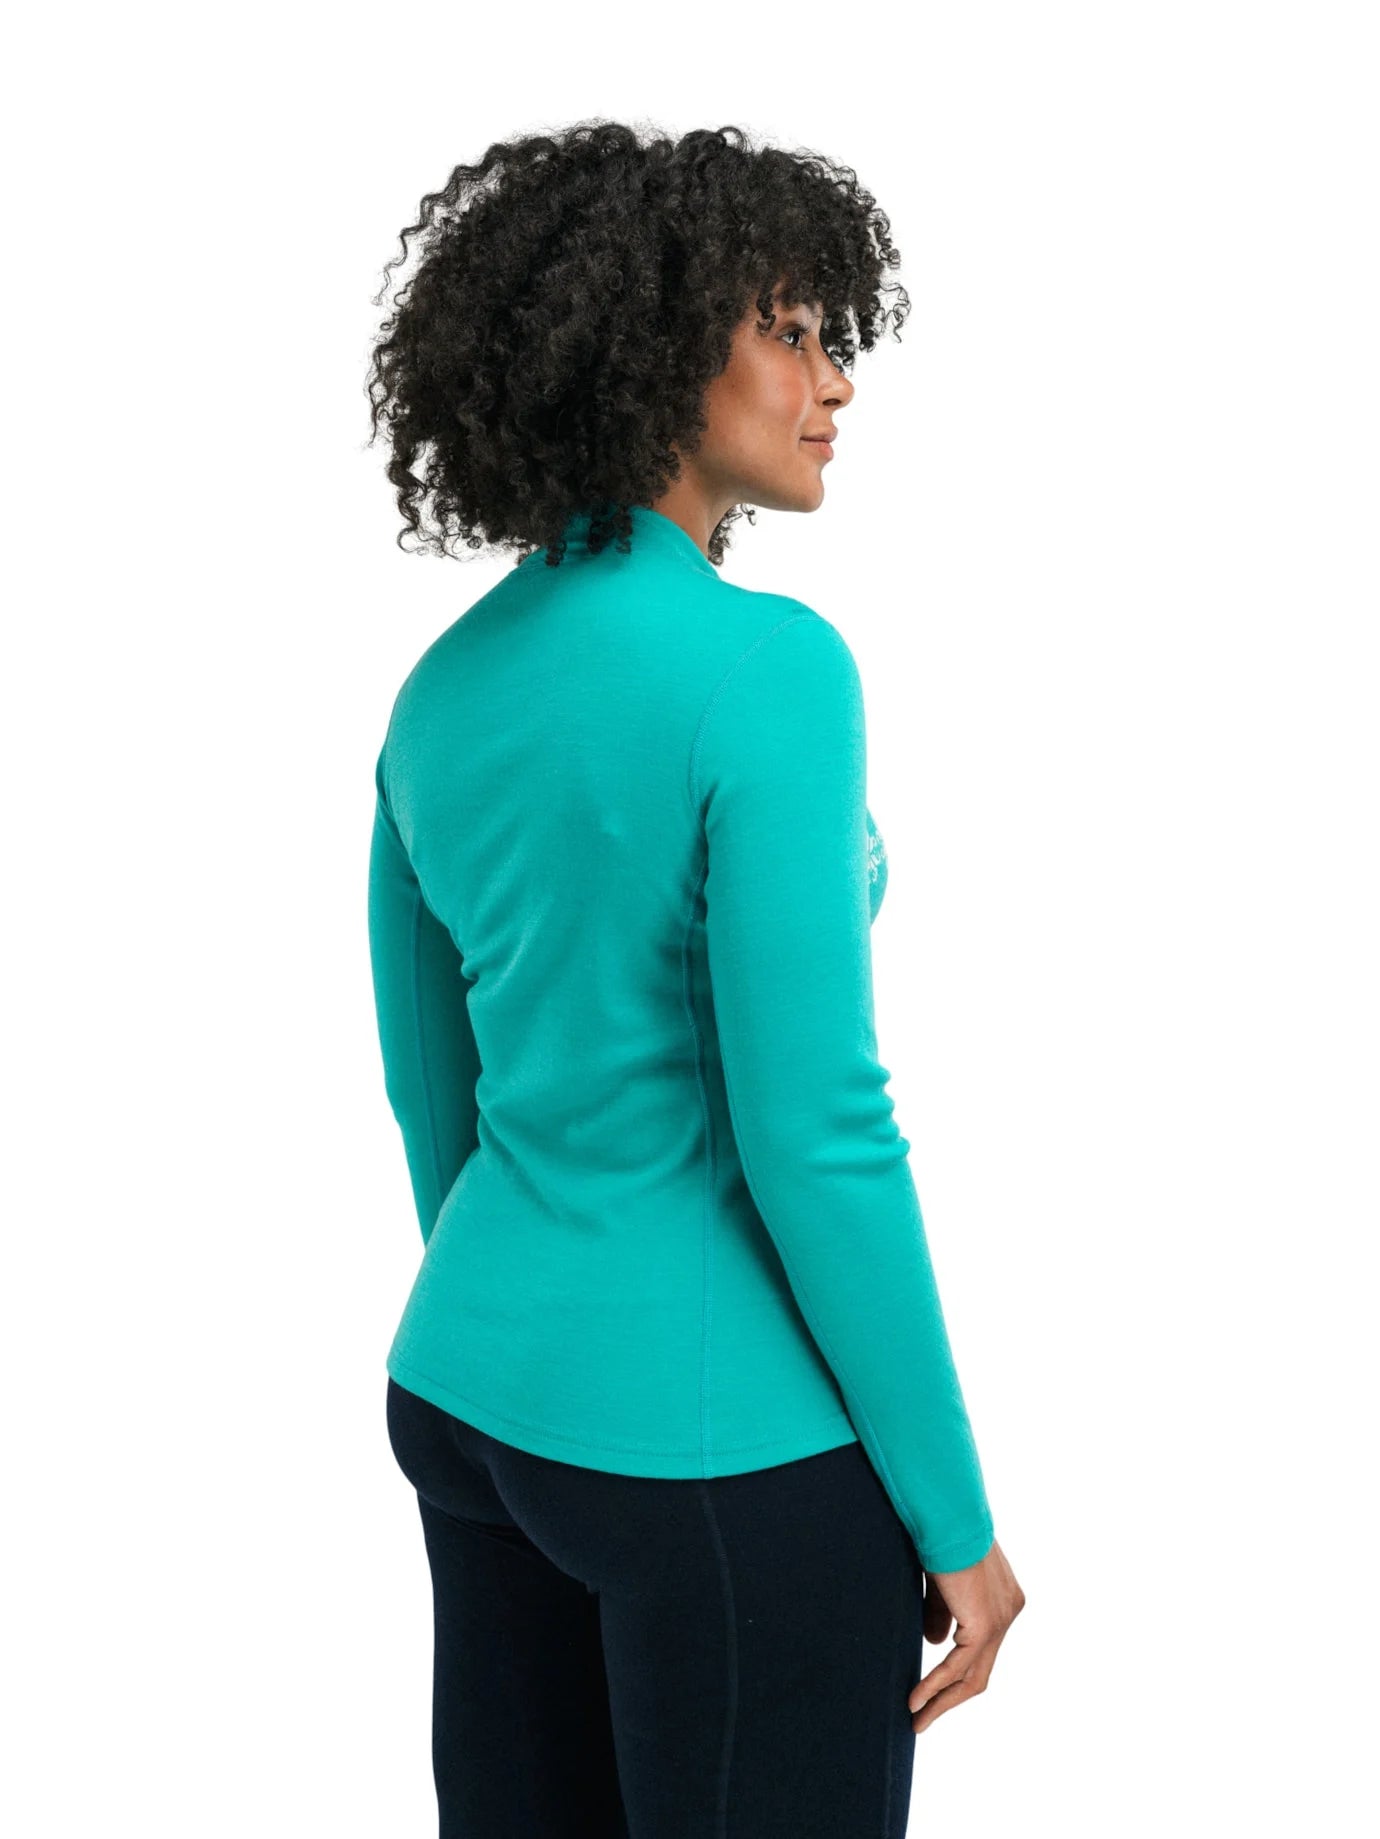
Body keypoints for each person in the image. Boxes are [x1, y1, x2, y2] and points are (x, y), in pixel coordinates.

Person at [364, 120, 1024, 1838]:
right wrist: (954, 1518)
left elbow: (435, 1099)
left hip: (471, 1400)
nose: (836, 382)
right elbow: (819, 1129)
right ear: (657, 358)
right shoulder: (771, 670)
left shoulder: (442, 691)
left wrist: (542, 1331)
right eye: (789, 334)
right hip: (718, 1464)